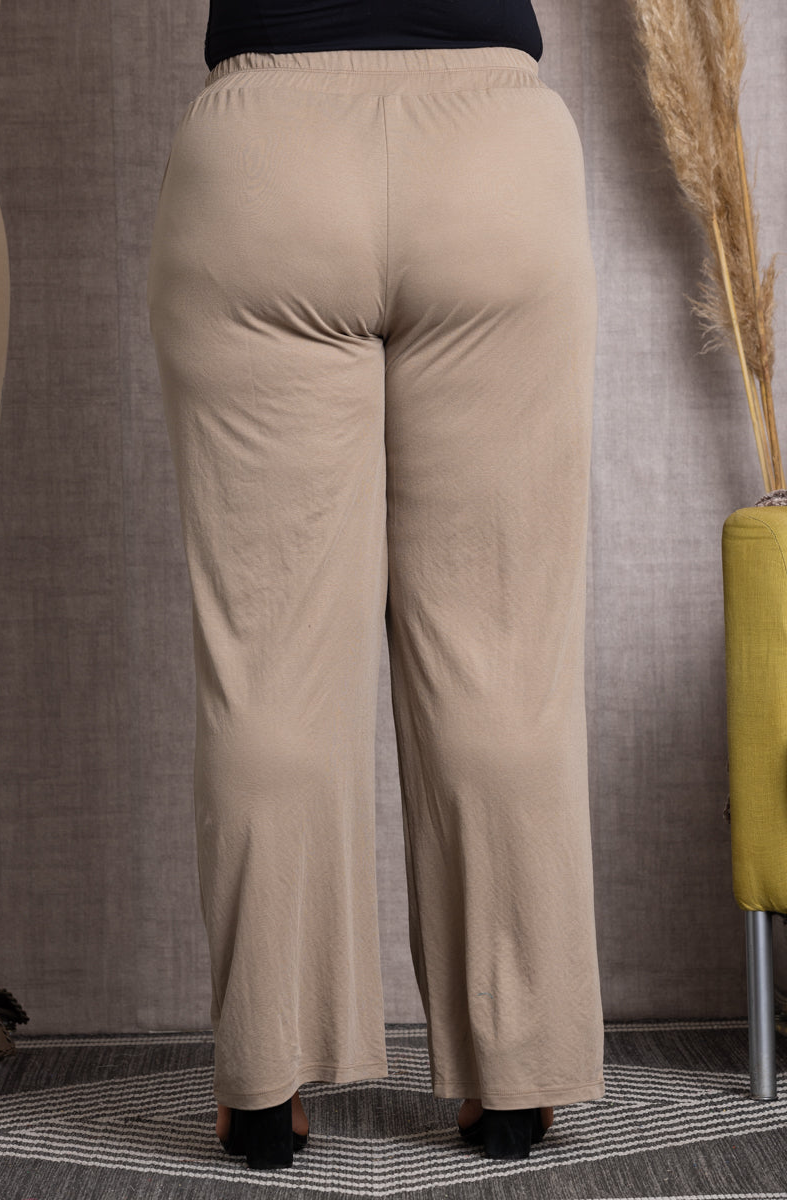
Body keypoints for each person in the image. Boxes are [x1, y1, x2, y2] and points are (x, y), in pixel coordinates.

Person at [146, 0, 605, 1172]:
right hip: (492, 157)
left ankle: (264, 1089)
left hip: (263, 161)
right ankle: (512, 1082)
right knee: (500, 657)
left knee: (267, 666)